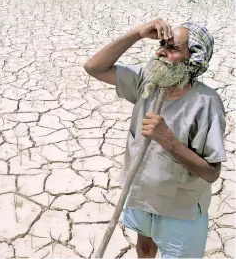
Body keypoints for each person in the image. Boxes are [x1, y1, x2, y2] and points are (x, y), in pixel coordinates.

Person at [83, 19, 227, 258]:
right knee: (145, 249)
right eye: (161, 45)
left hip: (180, 210)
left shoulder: (207, 104)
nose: (161, 52)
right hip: (141, 196)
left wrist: (169, 141)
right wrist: (137, 33)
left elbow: (211, 172)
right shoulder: (146, 82)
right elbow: (93, 67)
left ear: (193, 60)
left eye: (172, 49)